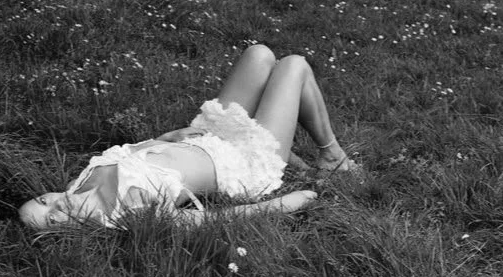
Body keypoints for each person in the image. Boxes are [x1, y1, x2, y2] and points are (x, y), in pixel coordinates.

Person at [19, 44, 357, 230]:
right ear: (66, 233)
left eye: (43, 201)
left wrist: (167, 137)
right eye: (51, 219)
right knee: (294, 65)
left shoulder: (80, 182)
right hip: (243, 162)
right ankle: (331, 155)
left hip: (207, 138)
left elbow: (133, 156)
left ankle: (292, 145)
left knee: (260, 55)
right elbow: (211, 219)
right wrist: (285, 204)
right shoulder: (124, 216)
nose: (55, 205)